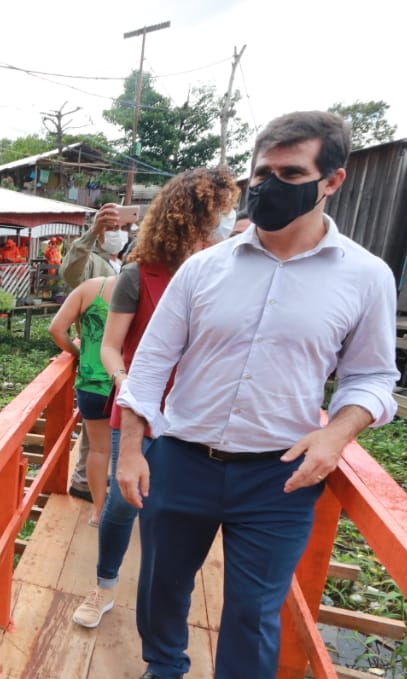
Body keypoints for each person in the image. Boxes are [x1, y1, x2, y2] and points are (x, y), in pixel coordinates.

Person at [114, 111, 399, 679]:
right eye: (261, 173)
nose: (269, 186)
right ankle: (165, 664)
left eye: (290, 175)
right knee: (161, 581)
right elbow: (151, 362)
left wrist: (338, 435)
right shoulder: (203, 270)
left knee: (254, 613)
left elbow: (371, 378)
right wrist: (128, 448)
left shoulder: (365, 278)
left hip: (280, 473)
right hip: (182, 454)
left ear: (331, 180)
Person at [72, 166, 240, 630]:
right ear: (191, 218)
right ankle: (105, 586)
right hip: (142, 408)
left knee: (173, 514)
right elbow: (110, 344)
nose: (225, 227)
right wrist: (123, 378)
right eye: (218, 216)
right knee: (122, 505)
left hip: (197, 417)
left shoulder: (229, 276)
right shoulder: (138, 275)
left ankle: (165, 616)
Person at [62, 207, 135, 502]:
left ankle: (96, 485)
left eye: (120, 226)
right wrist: (93, 233)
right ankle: (86, 485)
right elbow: (69, 273)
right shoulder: (92, 264)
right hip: (98, 362)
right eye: (110, 227)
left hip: (124, 362)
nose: (115, 231)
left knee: (102, 437)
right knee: (97, 437)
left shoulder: (132, 261)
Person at [49, 274, 118, 527]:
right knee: (130, 449)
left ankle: (99, 512)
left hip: (92, 383)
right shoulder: (146, 289)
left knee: (99, 450)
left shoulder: (91, 287)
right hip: (128, 382)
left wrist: (80, 353)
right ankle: (126, 510)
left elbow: (56, 329)